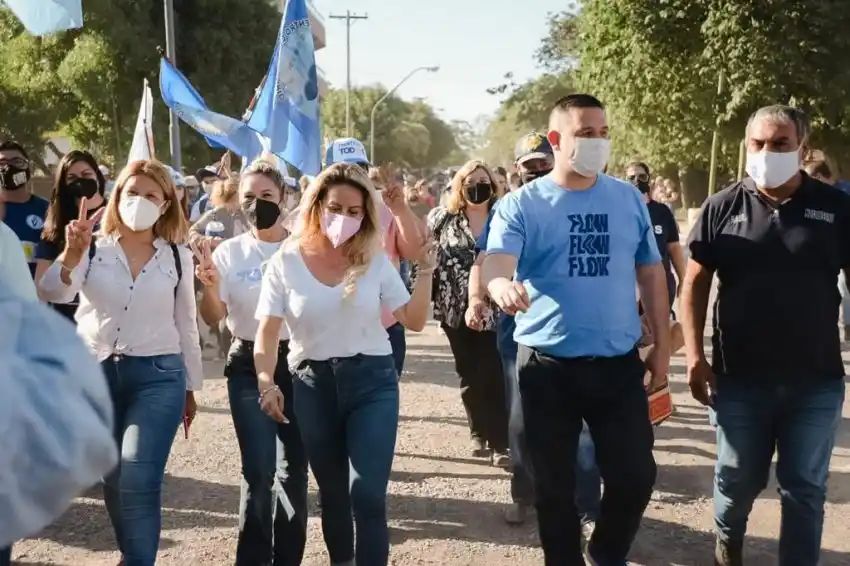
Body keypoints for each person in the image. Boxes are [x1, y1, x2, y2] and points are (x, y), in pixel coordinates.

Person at [482, 94, 668, 565]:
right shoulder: (522, 204)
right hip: (547, 369)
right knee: (554, 489)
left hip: (616, 367)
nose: (598, 142)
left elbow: (650, 273)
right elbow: (497, 264)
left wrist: (663, 348)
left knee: (634, 476)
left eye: (604, 133)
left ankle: (605, 553)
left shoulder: (627, 199)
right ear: (557, 140)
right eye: (587, 133)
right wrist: (502, 285)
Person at [682, 104, 849, 566]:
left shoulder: (836, 208)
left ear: (803, 148)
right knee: (737, 480)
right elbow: (694, 284)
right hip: (739, 380)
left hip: (815, 379)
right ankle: (727, 538)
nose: (766, 152)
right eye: (758, 143)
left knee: (805, 488)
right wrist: (695, 356)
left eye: (780, 144)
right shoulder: (722, 206)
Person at [254, 162, 435, 566]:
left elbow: (415, 320)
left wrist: (424, 269)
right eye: (336, 208)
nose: (345, 219)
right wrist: (267, 381)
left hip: (372, 382)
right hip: (312, 386)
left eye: (355, 212)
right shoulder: (286, 261)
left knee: (366, 494)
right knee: (333, 494)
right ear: (317, 205)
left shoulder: (372, 260)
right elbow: (267, 332)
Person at [37, 159, 203, 566]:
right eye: (133, 192)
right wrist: (71, 255)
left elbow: (187, 326)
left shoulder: (177, 257)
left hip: (158, 378)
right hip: (95, 376)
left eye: (151, 195)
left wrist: (190, 387)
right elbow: (52, 292)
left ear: (166, 204)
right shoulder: (91, 247)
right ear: (116, 197)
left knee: (139, 474)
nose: (140, 201)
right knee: (114, 479)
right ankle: (133, 551)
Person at [467, 132, 601, 530]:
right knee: (521, 423)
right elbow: (484, 261)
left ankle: (588, 509)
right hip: (519, 338)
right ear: (516, 172)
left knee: (582, 431)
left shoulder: (583, 203)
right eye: (529, 167)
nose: (537, 172)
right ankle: (524, 495)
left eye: (544, 163)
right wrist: (481, 296)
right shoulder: (508, 209)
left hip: (581, 336)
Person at [195, 159, 307, 565]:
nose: (257, 205)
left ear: (284, 198)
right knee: (259, 472)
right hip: (246, 366)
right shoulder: (229, 253)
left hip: (299, 364)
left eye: (267, 196)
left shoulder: (303, 250)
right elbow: (212, 316)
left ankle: (288, 557)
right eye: (249, 197)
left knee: (293, 473)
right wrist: (208, 286)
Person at [428, 160, 510, 466]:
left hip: (496, 307)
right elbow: (424, 254)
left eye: (484, 180)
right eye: (471, 181)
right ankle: (478, 433)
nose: (478, 186)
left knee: (494, 372)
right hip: (453, 309)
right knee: (469, 373)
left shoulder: (504, 217)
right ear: (460, 187)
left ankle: (500, 442)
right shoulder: (443, 219)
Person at [324, 137, 425, 375]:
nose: (353, 176)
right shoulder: (314, 213)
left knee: (378, 406)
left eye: (360, 169)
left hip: (384, 326)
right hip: (330, 328)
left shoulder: (386, 208)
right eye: (344, 169)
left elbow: (412, 252)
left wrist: (400, 210)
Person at [35, 150, 108, 320]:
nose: (80, 181)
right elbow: (42, 290)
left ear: (98, 177)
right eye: (72, 178)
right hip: (65, 328)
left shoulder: (118, 216)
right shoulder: (55, 226)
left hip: (106, 328)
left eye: (86, 174)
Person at [626, 161, 686, 310]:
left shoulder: (662, 212)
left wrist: (683, 279)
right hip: (628, 286)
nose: (637, 181)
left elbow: (674, 248)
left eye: (641, 176)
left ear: (649, 179)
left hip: (660, 283)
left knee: (657, 329)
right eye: (632, 177)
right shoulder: (618, 212)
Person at [0, 140, 49, 277]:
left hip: (38, 295)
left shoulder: (48, 210)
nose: (9, 168)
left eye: (17, 162)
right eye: (2, 164)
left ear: (29, 168)